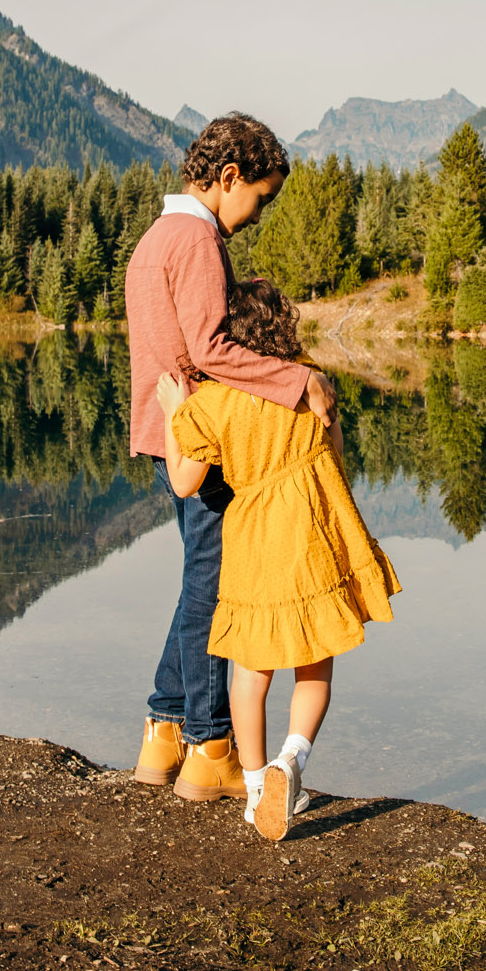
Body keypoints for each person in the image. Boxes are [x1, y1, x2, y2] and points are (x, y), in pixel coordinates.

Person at [123, 113, 338, 802]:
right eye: (261, 197)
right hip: (203, 441)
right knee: (215, 593)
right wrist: (298, 380)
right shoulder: (196, 240)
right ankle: (210, 743)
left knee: (197, 581)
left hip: (173, 435)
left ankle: (163, 729)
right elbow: (212, 349)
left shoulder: (157, 237)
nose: (259, 213)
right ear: (228, 178)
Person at [156, 278, 401, 841]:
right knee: (315, 661)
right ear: (282, 328)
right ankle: (292, 760)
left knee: (250, 670)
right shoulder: (310, 381)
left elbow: (183, 481)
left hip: (255, 540)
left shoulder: (214, 403)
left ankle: (253, 785)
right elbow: (335, 452)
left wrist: (177, 412)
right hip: (314, 532)